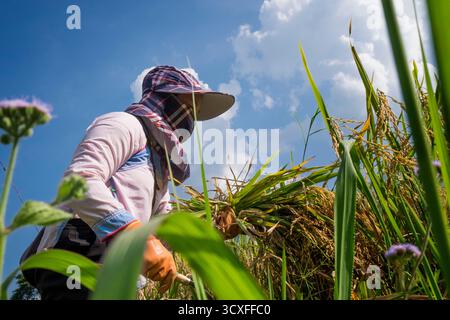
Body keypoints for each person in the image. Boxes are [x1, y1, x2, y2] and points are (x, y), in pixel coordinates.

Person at [20, 65, 237, 300]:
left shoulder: (159, 169)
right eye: (189, 101)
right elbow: (80, 179)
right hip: (81, 251)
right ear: (166, 95)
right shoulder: (124, 124)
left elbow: (163, 231)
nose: (191, 114)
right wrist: (133, 234)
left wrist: (211, 230)